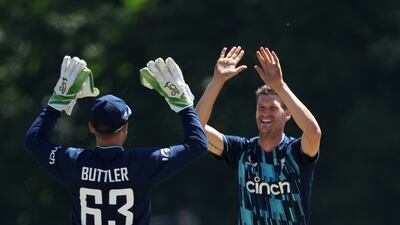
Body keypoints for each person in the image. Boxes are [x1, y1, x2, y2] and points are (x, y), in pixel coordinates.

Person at [24, 56, 207, 225]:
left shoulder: (74, 162)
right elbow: (197, 144)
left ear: (91, 127)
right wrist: (183, 104)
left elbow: (33, 139)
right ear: (126, 128)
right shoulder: (142, 163)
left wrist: (57, 102)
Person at [195, 46, 321, 225]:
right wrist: (217, 81)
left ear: (287, 114)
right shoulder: (241, 150)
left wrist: (280, 86)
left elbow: (314, 133)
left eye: (273, 108)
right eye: (261, 108)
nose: (265, 113)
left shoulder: (296, 152)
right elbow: (197, 129)